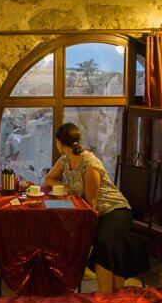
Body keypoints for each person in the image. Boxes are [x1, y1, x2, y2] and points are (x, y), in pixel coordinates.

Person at [44, 122, 140, 293]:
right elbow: (48, 179)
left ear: (60, 142)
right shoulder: (65, 159)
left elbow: (91, 202)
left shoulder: (89, 163)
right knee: (102, 244)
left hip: (115, 210)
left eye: (56, 141)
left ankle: (106, 295)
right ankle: (116, 293)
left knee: (102, 242)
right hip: (95, 211)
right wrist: (68, 189)